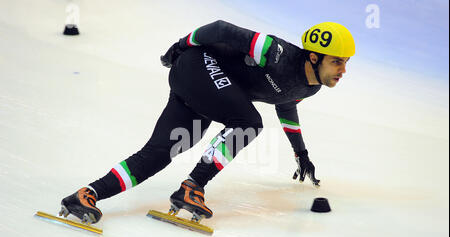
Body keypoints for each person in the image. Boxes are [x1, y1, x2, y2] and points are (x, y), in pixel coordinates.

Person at [59, 20, 355, 224]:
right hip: (195, 65)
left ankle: (87, 195)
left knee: (160, 153)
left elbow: (286, 106)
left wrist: (300, 154)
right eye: (337, 61)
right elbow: (220, 29)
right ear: (314, 57)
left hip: (203, 88)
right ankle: (193, 187)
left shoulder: (312, 85)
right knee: (248, 122)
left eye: (346, 62)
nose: (343, 70)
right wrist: (180, 46)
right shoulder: (275, 52)